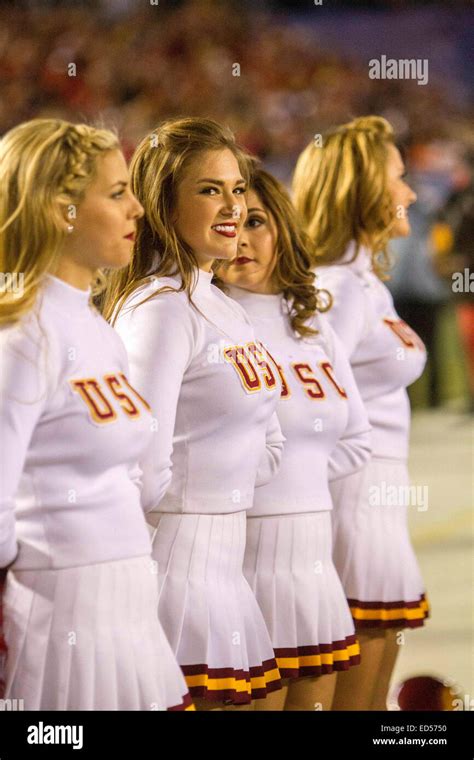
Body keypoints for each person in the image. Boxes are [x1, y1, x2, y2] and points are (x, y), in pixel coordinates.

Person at [0, 118, 194, 711]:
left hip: (128, 600)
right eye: (116, 193)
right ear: (60, 209)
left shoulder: (94, 325)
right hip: (57, 611)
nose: (138, 208)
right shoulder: (18, 334)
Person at [101, 118, 284, 710]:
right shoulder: (158, 311)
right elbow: (138, 470)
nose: (232, 205)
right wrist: (202, 492)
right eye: (209, 190)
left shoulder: (222, 305)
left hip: (226, 572)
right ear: (162, 203)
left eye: (237, 188)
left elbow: (269, 444)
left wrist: (220, 480)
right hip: (173, 574)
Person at [216, 160, 371, 711]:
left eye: (255, 220)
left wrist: (295, 484)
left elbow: (357, 439)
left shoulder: (311, 322)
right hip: (235, 565)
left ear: (280, 225)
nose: (242, 239)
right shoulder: (205, 321)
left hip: (313, 564)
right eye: (228, 223)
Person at [293, 115, 429, 711]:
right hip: (353, 501)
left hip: (377, 498)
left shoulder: (362, 282)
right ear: (363, 191)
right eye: (398, 178)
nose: (411, 193)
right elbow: (307, 404)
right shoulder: (336, 287)